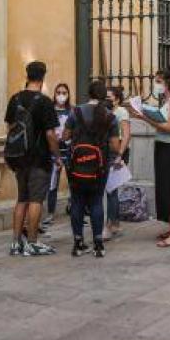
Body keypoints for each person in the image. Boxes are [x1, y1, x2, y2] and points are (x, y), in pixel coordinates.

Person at [4, 61, 61, 256]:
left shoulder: (15, 99)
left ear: (27, 75)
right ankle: (33, 242)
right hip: (39, 158)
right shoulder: (44, 102)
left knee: (22, 199)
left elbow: (9, 129)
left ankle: (15, 242)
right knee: (36, 200)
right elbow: (51, 135)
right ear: (43, 77)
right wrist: (57, 156)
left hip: (18, 158)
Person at [128, 67, 170, 248]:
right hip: (165, 147)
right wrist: (143, 114)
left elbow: (169, 127)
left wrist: (144, 118)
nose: (156, 85)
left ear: (168, 82)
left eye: (159, 81)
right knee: (167, 188)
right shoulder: (168, 100)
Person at [65, 80, 122, 258]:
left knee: (77, 202)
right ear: (104, 95)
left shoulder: (76, 111)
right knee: (97, 201)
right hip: (100, 166)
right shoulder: (110, 116)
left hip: (76, 165)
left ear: (89, 94)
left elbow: (65, 135)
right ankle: (98, 244)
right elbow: (114, 145)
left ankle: (78, 243)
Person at [104, 85, 132, 239]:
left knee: (111, 189)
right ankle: (114, 223)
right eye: (105, 96)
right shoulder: (104, 111)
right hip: (107, 150)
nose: (108, 98)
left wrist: (119, 154)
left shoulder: (121, 112)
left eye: (110, 96)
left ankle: (112, 224)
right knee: (110, 189)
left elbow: (127, 134)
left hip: (117, 150)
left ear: (117, 98)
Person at [44, 82, 73, 229]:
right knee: (52, 184)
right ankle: (50, 213)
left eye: (64, 93)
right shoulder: (49, 110)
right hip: (53, 153)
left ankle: (74, 210)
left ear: (68, 95)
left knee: (73, 183)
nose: (61, 95)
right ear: (54, 94)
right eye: (58, 92)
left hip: (69, 151)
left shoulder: (72, 111)